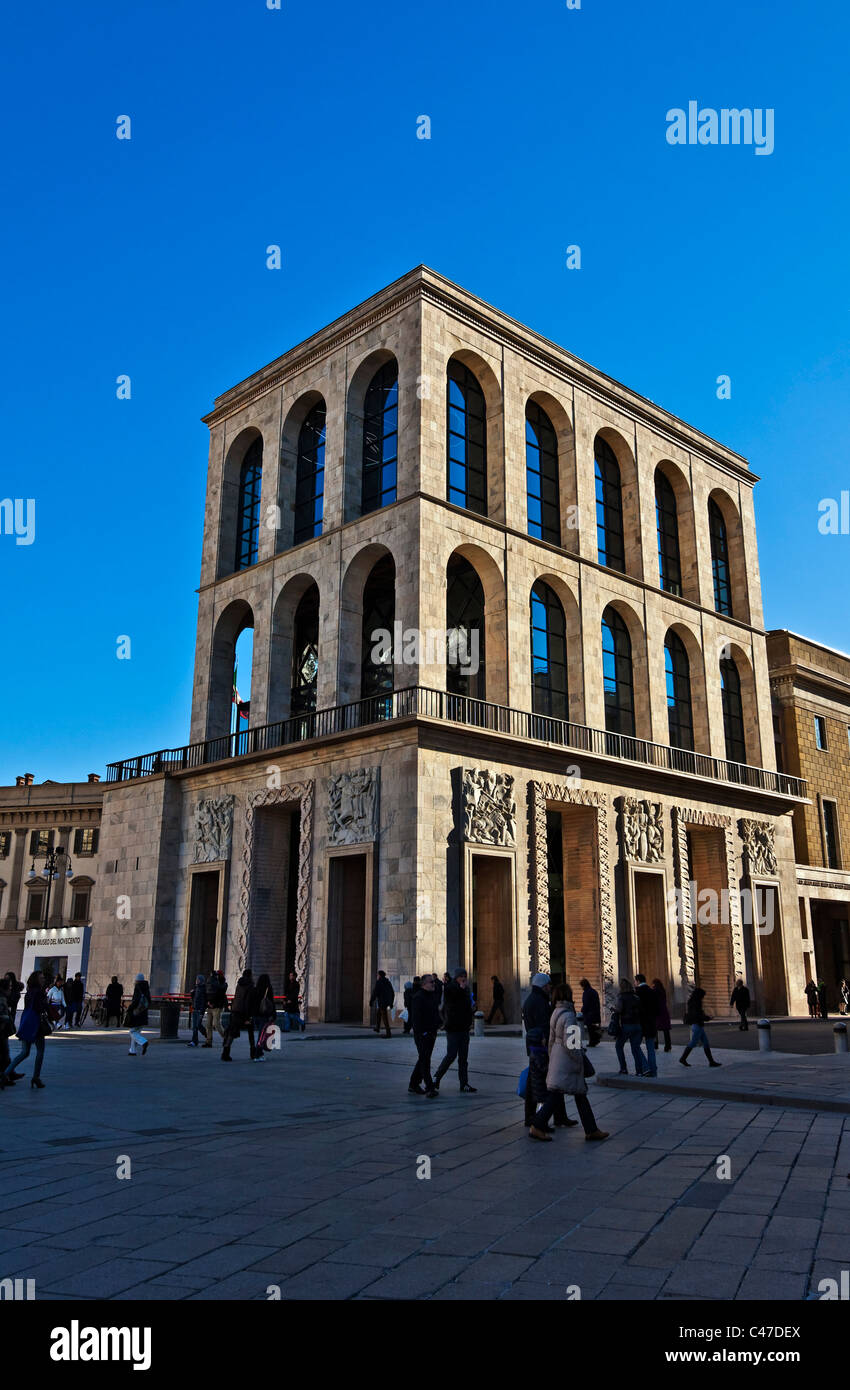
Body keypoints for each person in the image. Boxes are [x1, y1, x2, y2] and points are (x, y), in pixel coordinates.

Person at [530, 984, 609, 1143]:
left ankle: (591, 1129)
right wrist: (579, 1059)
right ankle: (537, 1125)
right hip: (568, 1062)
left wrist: (553, 1057)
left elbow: (551, 1040)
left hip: (558, 1059)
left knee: (577, 1094)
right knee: (561, 1095)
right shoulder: (569, 1016)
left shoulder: (555, 1013)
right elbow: (572, 1044)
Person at [522, 973, 572, 1131]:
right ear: (543, 985)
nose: (550, 988)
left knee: (537, 1083)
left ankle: (550, 1116)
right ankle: (541, 1118)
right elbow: (546, 1026)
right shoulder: (541, 1002)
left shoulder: (531, 1000)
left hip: (534, 1047)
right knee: (550, 1084)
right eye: (549, 985)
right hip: (542, 1048)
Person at [433, 968, 477, 1092]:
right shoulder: (450, 988)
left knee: (463, 1058)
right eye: (461, 976)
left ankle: (464, 1083)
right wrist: (461, 991)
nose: (464, 978)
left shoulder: (466, 990)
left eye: (465, 976)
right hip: (453, 1027)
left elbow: (466, 1005)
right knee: (451, 1055)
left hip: (464, 1028)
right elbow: (452, 1004)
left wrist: (472, 1009)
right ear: (456, 977)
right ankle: (437, 1078)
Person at [4, 970, 50, 1088]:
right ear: (36, 980)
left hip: (27, 1022)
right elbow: (40, 1007)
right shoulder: (39, 992)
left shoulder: (29, 992)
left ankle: (4, 1074)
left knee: (24, 1052)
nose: (43, 979)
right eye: (41, 978)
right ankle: (36, 1077)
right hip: (36, 1024)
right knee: (40, 1051)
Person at [408, 974, 441, 1098]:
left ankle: (413, 1083)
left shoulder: (432, 996)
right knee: (425, 1060)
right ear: (424, 984)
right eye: (431, 982)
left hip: (431, 1033)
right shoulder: (418, 997)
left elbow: (434, 1013)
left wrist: (437, 1025)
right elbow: (416, 1019)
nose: (434, 984)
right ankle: (429, 1087)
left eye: (434, 981)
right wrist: (423, 1033)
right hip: (422, 1034)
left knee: (423, 1058)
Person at [221, 969, 258, 1061]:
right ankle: (253, 1053)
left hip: (235, 1011)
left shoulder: (239, 985)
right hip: (244, 1012)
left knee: (232, 1033)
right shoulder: (250, 986)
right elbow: (248, 1001)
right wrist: (248, 1016)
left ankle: (225, 1052)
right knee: (250, 1033)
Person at [679, 988, 721, 1067]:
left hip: (697, 1024)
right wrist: (707, 1018)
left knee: (705, 1043)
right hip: (697, 1024)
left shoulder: (691, 1001)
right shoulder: (697, 1003)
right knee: (693, 1042)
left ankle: (711, 1061)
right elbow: (697, 1015)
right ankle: (683, 1058)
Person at [613, 978, 646, 1076]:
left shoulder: (621, 997)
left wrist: (613, 1009)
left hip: (626, 1025)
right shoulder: (636, 997)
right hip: (637, 1025)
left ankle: (623, 1068)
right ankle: (639, 1071)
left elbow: (619, 1009)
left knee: (619, 1046)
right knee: (635, 1049)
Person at [634, 973, 659, 1077]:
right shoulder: (652, 992)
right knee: (651, 1049)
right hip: (651, 1023)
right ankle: (653, 1071)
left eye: (635, 981)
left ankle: (645, 1067)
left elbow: (636, 1009)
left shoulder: (637, 992)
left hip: (640, 1023)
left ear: (638, 981)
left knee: (635, 1046)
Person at [126, 973, 151, 1056]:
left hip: (136, 1013)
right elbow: (149, 1001)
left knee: (132, 1032)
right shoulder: (146, 988)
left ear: (137, 980)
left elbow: (135, 1001)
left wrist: (129, 1008)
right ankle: (132, 1050)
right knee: (137, 1032)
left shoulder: (138, 987)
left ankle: (143, 1042)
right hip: (143, 1013)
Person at [253, 973, 277, 1058]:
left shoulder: (256, 989)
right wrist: (274, 1014)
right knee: (262, 1035)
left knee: (260, 1034)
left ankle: (259, 1052)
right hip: (264, 1014)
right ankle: (257, 1053)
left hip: (256, 1015)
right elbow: (271, 1003)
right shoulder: (268, 989)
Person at [203, 970, 227, 1045]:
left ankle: (226, 1037)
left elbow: (220, 994)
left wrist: (212, 1003)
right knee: (208, 1024)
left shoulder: (223, 984)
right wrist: (208, 1002)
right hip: (210, 1005)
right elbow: (208, 992)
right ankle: (208, 1041)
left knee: (216, 1024)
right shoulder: (212, 982)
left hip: (217, 1006)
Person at [0, 977, 16, 1088]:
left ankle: (7, 1075)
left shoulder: (3, 998)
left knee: (4, 1054)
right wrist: (6, 1018)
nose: (11, 989)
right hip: (1, 1031)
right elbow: (1, 1015)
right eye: (9, 987)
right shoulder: (1, 999)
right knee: (3, 1055)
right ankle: (4, 1076)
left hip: (3, 1031)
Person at [370, 970, 395, 1037]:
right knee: (379, 1013)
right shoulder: (388, 982)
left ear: (380, 975)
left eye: (378, 975)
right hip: (386, 1002)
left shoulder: (379, 982)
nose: (377, 976)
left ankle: (388, 1033)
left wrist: (371, 1001)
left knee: (384, 1017)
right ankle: (377, 1027)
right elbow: (392, 992)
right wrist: (391, 1002)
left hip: (382, 1002)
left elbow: (375, 992)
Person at [578, 978, 602, 1046]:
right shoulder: (594, 991)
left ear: (583, 985)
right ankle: (595, 1040)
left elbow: (586, 1003)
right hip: (595, 1012)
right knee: (593, 1028)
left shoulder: (586, 992)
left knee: (590, 1028)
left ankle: (593, 1041)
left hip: (590, 1014)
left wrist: (582, 1010)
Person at [652, 978, 673, 1051]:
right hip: (664, 1011)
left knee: (654, 1030)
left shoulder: (654, 991)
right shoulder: (663, 990)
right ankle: (668, 1046)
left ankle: (655, 1045)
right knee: (666, 1030)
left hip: (657, 1012)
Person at [188, 973, 207, 1047]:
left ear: (201, 980)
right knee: (195, 1026)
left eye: (198, 979)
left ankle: (207, 1035)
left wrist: (202, 1011)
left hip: (199, 1009)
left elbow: (203, 1001)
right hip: (195, 1008)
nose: (196, 981)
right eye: (196, 979)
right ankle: (194, 1041)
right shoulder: (196, 988)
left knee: (198, 1025)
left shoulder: (203, 989)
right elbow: (194, 999)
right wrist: (192, 993)